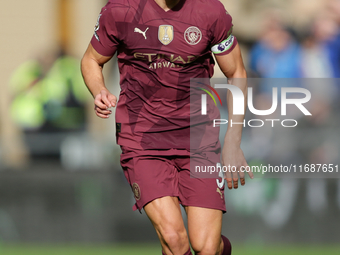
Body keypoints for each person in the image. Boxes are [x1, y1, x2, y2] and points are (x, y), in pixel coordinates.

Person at [81, 0, 253, 254]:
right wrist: (99, 90)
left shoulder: (210, 11)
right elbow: (91, 60)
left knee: (206, 246)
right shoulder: (120, 10)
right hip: (142, 141)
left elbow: (236, 71)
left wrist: (232, 141)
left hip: (199, 140)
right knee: (174, 239)